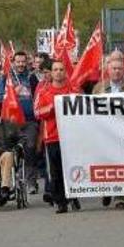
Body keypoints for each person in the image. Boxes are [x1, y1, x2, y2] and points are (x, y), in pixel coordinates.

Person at [34, 60, 82, 214]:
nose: (59, 72)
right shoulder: (44, 92)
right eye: (55, 69)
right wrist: (53, 107)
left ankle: (74, 197)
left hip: (72, 136)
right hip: (52, 136)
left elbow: (84, 108)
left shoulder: (74, 90)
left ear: (65, 71)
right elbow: (38, 113)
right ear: (51, 72)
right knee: (55, 171)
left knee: (73, 168)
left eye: (61, 69)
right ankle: (61, 201)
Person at [93, 57, 124, 209]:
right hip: (104, 131)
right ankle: (107, 190)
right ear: (108, 70)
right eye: (114, 68)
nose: (117, 71)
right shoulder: (99, 88)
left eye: (119, 68)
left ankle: (121, 198)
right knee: (106, 162)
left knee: (122, 163)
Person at [0, 51, 41, 193]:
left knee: (30, 149)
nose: (21, 64)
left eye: (23, 61)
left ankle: (31, 182)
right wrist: (11, 93)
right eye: (18, 62)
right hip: (11, 121)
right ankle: (8, 180)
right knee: (8, 150)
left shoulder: (32, 77)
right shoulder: (6, 77)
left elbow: (38, 96)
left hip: (29, 121)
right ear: (14, 62)